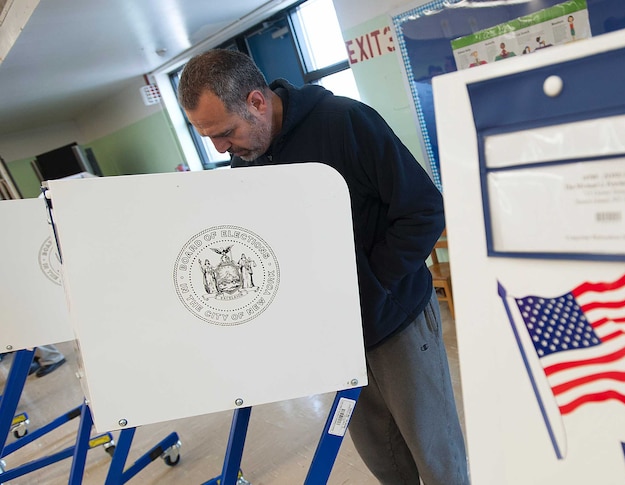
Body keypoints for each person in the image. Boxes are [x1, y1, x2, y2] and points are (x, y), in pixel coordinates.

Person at [178, 49, 469, 485]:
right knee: (386, 461)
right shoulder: (245, 162)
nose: (221, 148)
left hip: (395, 322)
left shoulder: (345, 122)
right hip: (332, 341)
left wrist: (372, 287)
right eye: (209, 138)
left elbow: (424, 210)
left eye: (225, 132)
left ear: (257, 102)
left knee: (437, 458)